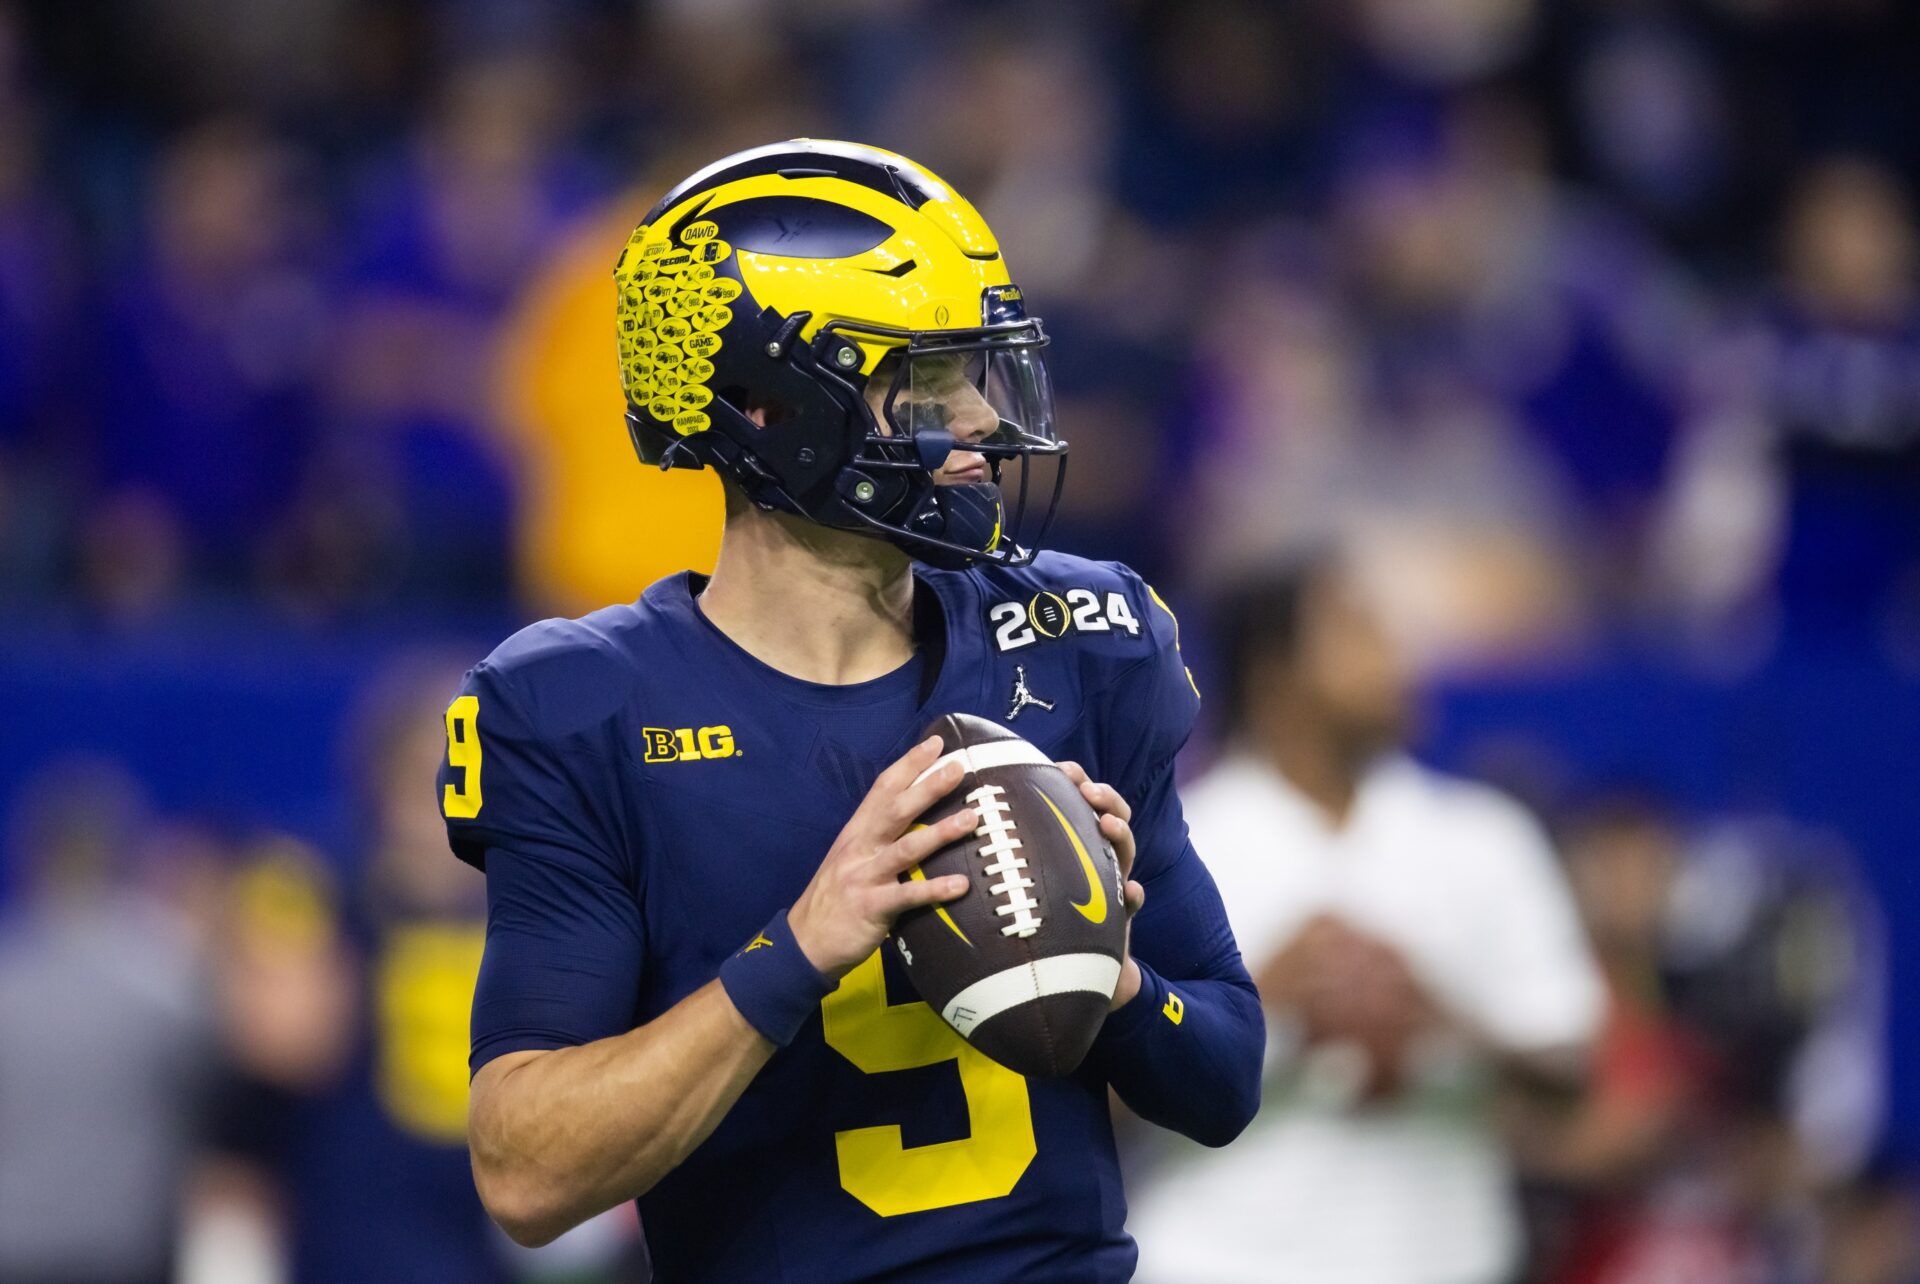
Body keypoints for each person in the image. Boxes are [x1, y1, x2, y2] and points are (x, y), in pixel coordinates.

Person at [439, 140, 1263, 1281]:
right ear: (774, 413)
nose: (977, 418)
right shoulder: (580, 707)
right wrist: (802, 945)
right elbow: (527, 1176)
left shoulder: (1079, 635)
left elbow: (1226, 1079)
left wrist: (1108, 974)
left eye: (976, 371)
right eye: (923, 382)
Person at [1128, 554, 1604, 1284]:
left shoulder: (1486, 837)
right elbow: (1097, 1095)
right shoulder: (1170, 847)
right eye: (1359, 631)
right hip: (1212, 1261)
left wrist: (1437, 1016)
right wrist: (1249, 1009)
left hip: (1449, 1261)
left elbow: (1570, 1070)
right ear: (1273, 674)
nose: (1397, 657)